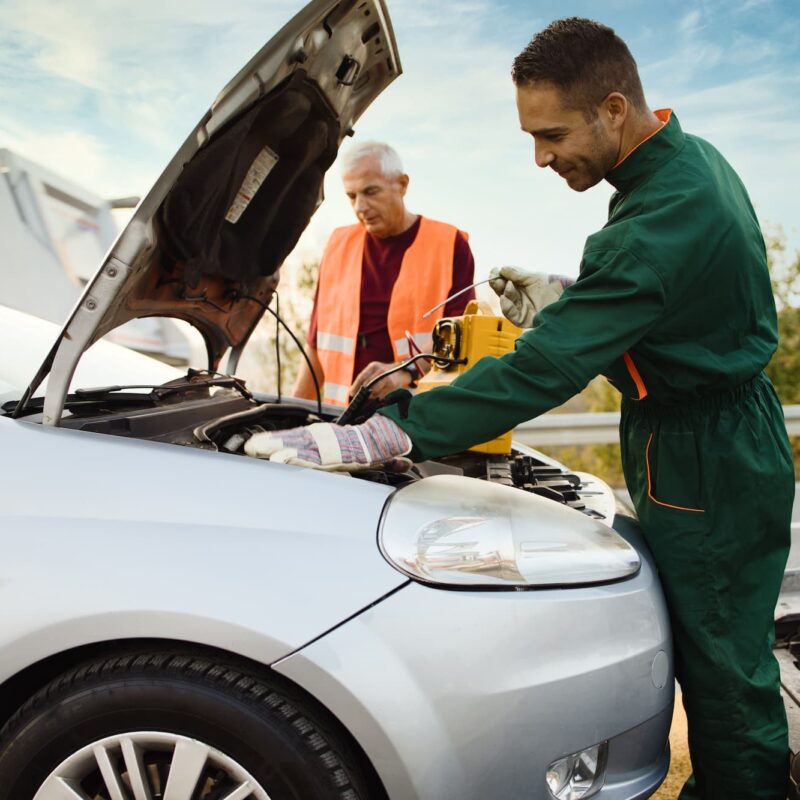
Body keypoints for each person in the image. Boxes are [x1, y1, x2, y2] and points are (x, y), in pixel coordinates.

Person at [247, 18, 795, 798]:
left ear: (612, 108)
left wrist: (388, 432)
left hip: (703, 454)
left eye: (552, 134)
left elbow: (544, 370)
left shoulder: (651, 223)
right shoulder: (685, 164)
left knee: (722, 664)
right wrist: (571, 298)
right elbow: (666, 302)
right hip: (718, 435)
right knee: (724, 647)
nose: (540, 157)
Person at [292, 141, 476, 406]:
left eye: (370, 192)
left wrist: (403, 371)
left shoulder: (448, 244)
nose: (360, 207)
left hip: (413, 413)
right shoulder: (337, 245)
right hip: (341, 417)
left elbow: (461, 333)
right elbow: (315, 343)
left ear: (402, 185)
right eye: (352, 196)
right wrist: (293, 411)